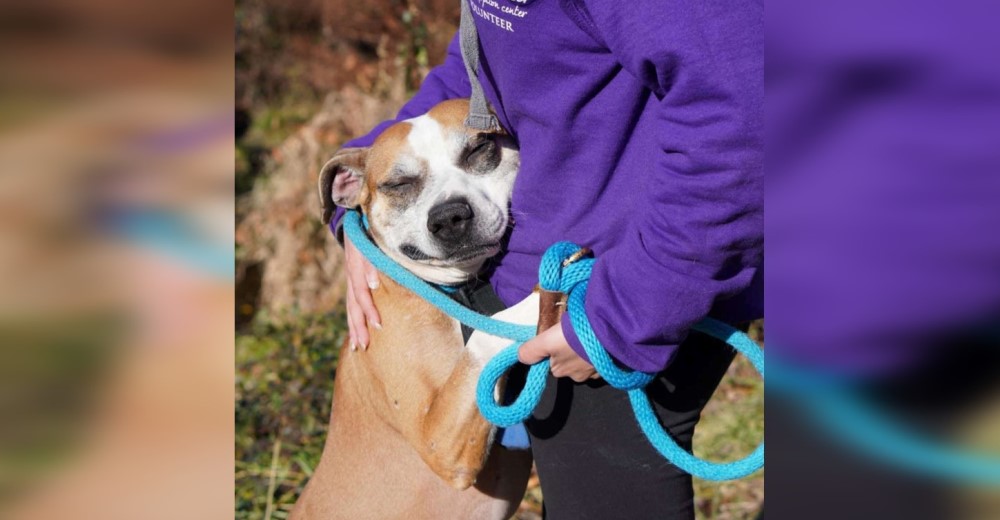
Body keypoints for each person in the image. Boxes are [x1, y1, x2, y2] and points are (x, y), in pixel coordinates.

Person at [330, 0, 762, 518]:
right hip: (573, 286)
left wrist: (619, 315)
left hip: (629, 281)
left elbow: (740, 117)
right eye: (401, 186)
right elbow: (491, 66)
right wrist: (363, 182)